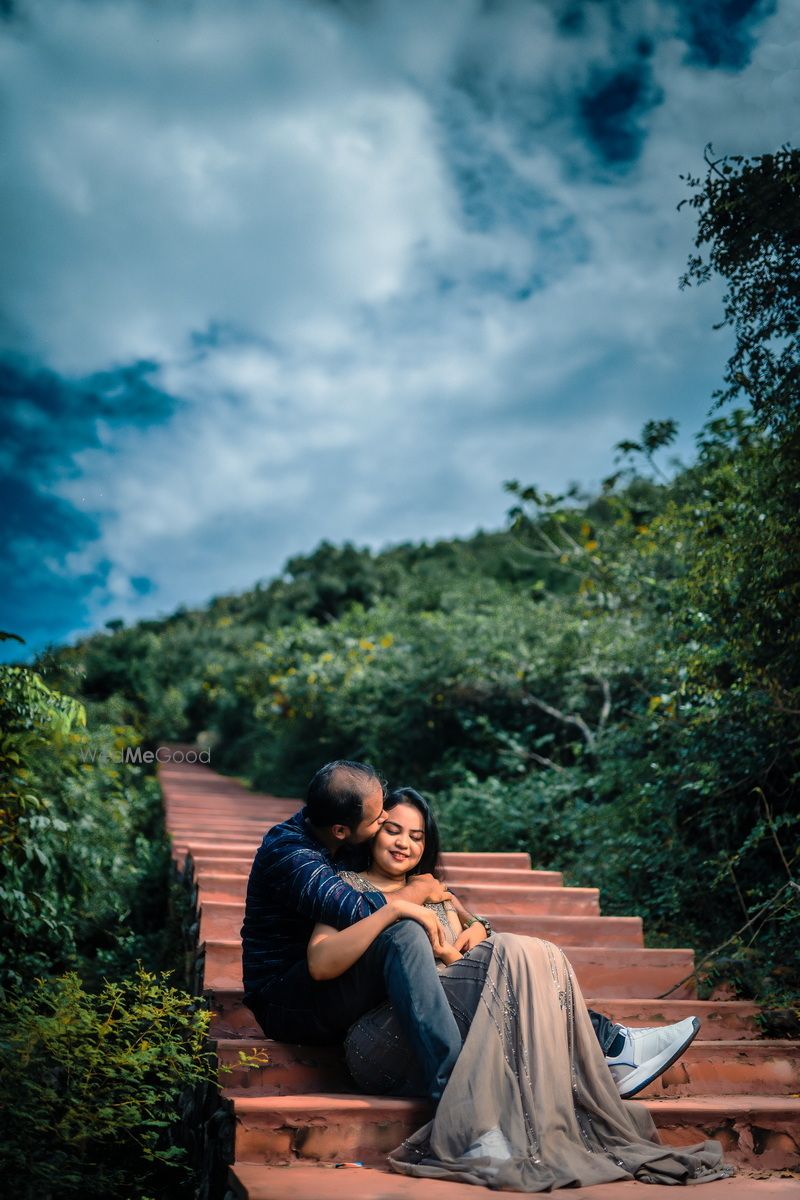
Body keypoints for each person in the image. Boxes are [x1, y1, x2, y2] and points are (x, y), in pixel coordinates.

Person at [312, 785, 731, 1189]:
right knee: (510, 952)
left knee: (530, 953)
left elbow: (469, 980)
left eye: (416, 836)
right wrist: (406, 913)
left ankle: (602, 1052)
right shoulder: (345, 887)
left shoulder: (440, 899)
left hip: (446, 1042)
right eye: (394, 829)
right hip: (378, 1041)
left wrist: (464, 935)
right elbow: (320, 961)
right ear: (373, 831)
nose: (404, 842)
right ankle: (608, 1047)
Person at [242, 760, 701, 1106]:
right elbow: (365, 912)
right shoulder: (297, 857)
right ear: (345, 831)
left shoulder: (342, 845)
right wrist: (418, 895)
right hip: (289, 996)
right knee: (417, 940)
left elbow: (440, 915)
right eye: (382, 821)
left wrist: (474, 921)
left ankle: (605, 1049)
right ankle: (594, 1054)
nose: (389, 828)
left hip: (361, 986)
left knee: (506, 955)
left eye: (410, 832)